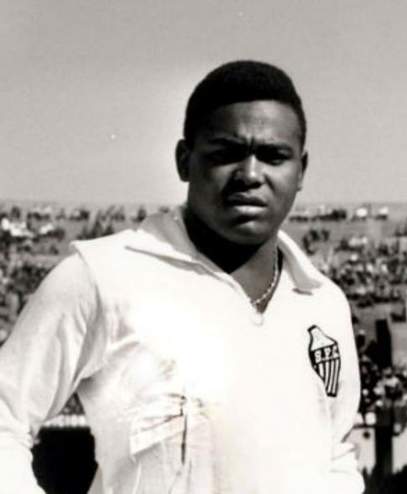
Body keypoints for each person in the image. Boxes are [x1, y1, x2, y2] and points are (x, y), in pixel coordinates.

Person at [0, 60, 363, 493]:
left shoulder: (324, 303)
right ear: (184, 161)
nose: (250, 175)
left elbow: (335, 453)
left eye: (273, 156)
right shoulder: (103, 276)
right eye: (226, 153)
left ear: (300, 170)